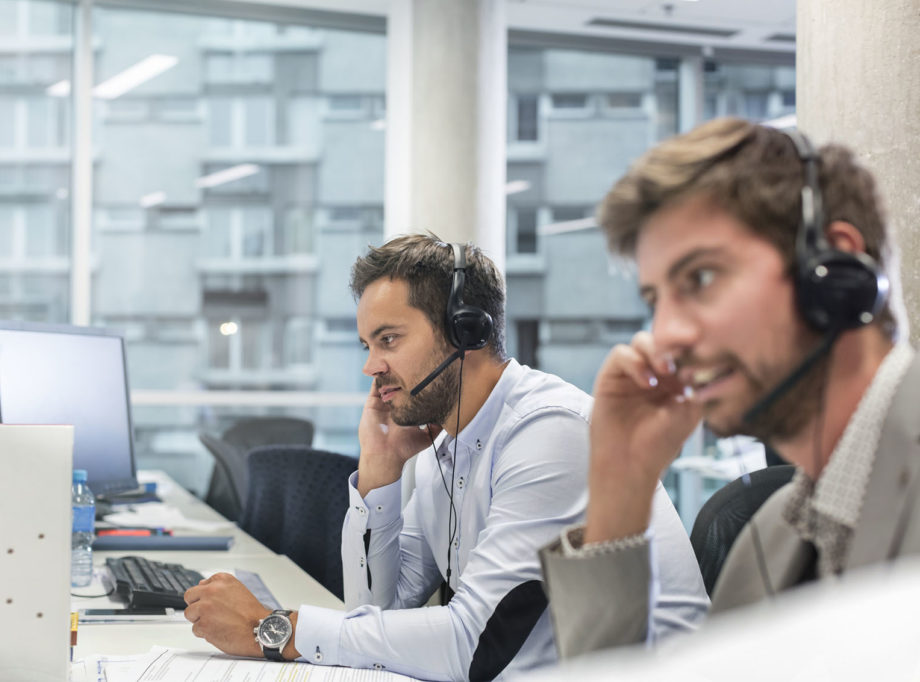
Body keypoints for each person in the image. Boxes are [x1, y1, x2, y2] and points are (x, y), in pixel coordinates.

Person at [184, 234, 707, 679]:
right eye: (367, 344)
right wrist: (380, 469)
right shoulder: (446, 447)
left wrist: (270, 629)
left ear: (467, 331)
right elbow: (376, 613)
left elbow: (469, 644)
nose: (371, 366)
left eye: (388, 340)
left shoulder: (550, 431)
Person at [540, 117, 918, 658]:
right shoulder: (765, 543)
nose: (665, 334)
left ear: (833, 267)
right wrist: (619, 491)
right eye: (655, 300)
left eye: (700, 278)